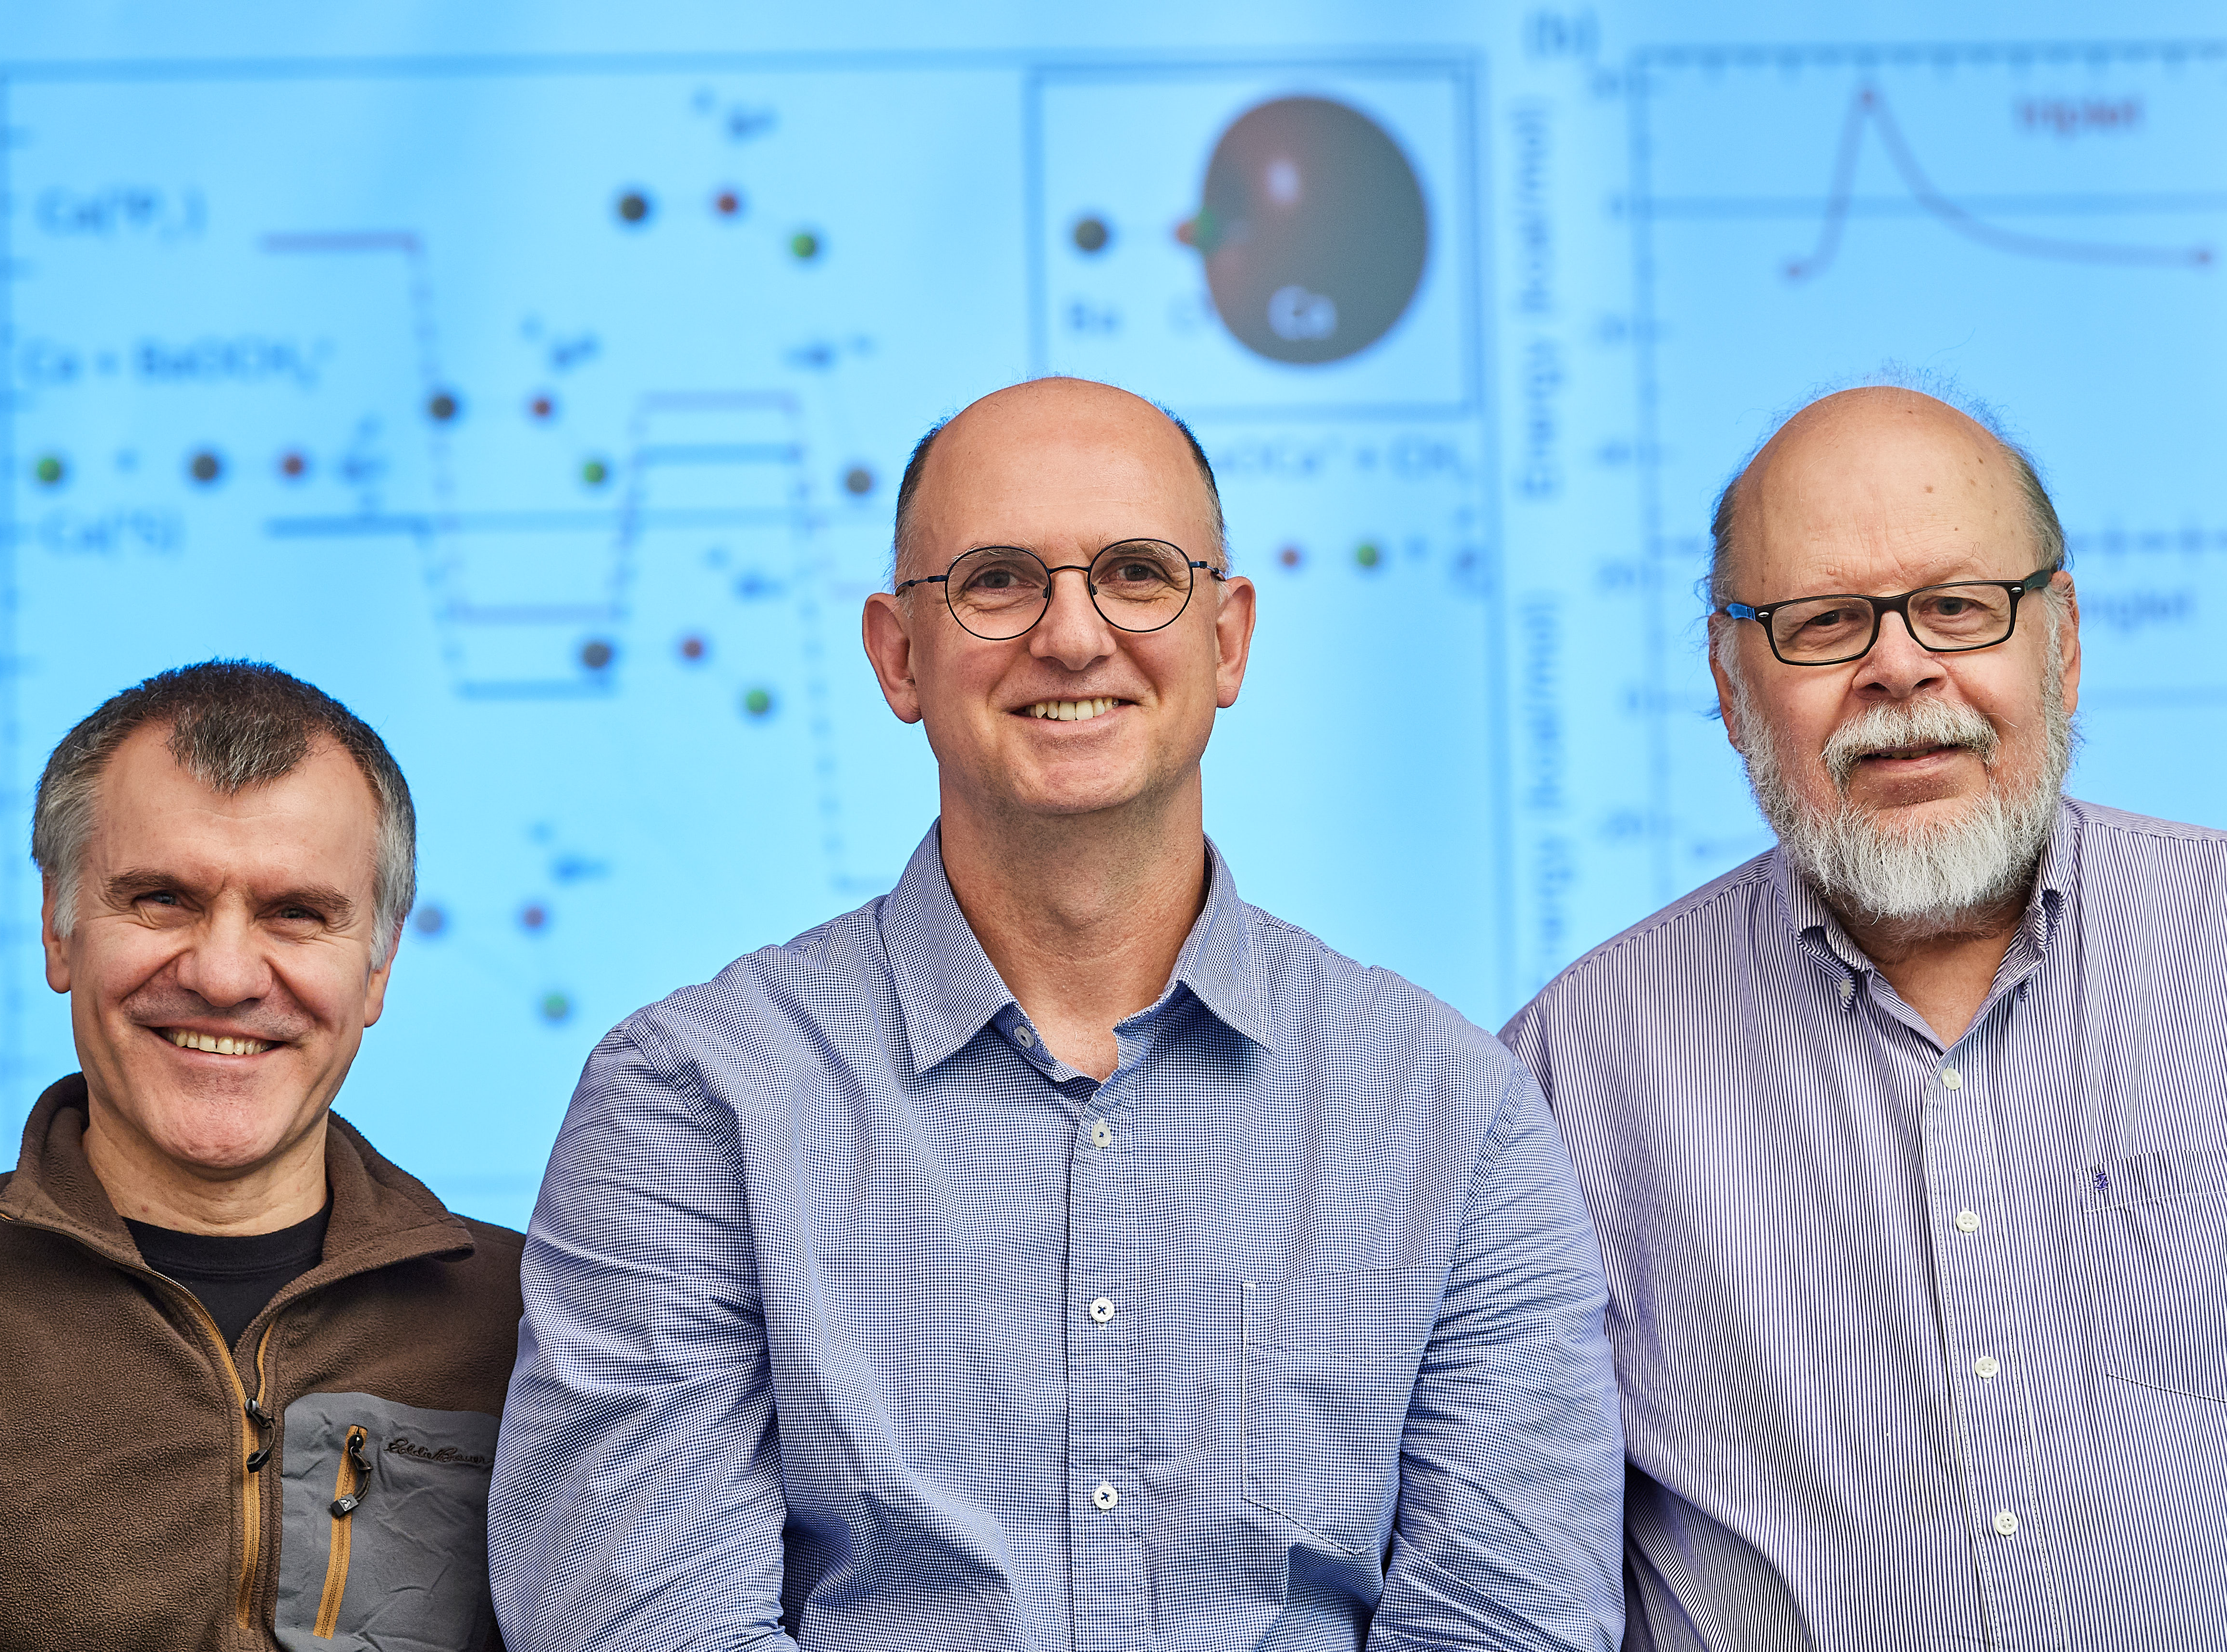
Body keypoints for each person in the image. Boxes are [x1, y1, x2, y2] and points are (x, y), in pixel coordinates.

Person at [489, 377, 1624, 1650]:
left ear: (1230, 640)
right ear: (896, 655)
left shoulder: (1452, 1113)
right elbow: (644, 1627)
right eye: (997, 581)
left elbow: (1506, 1626)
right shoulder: (694, 1100)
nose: (1075, 636)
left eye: (1139, 574)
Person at [1502, 386, 2227, 1649]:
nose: (1900, 669)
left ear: (2064, 641)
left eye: (1959, 608)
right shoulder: (1564, 1079)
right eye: (1823, 624)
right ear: (1727, 678)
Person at [0, 661, 524, 1651]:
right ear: (60, 926)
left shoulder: (540, 1325)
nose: (223, 973)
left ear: (379, 964)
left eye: (296, 913)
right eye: (161, 899)